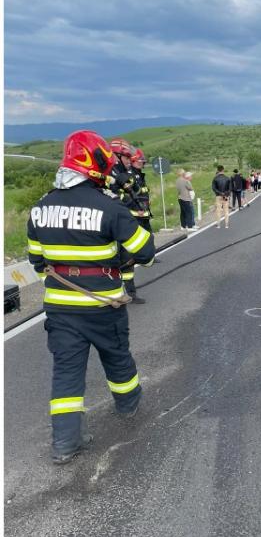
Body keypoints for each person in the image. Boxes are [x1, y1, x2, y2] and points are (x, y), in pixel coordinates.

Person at [27, 130, 156, 464]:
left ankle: (65, 443)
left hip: (59, 310)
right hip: (104, 307)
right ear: (96, 164)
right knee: (116, 357)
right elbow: (146, 253)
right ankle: (129, 406)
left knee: (66, 372)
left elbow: (37, 262)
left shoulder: (39, 209)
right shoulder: (109, 209)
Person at [106, 139, 148, 304]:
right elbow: (114, 197)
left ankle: (130, 293)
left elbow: (133, 191)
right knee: (111, 260)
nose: (128, 160)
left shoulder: (122, 174)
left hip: (125, 221)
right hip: (112, 224)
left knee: (127, 260)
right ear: (116, 156)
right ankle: (111, 294)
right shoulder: (109, 175)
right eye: (125, 157)